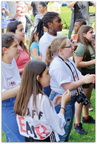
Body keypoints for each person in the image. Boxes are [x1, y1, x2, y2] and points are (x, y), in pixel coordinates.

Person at [45, 35, 95, 142]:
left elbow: (77, 74)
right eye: (70, 46)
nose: (73, 47)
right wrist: (83, 81)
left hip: (69, 99)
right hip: (61, 99)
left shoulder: (67, 60)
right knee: (62, 131)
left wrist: (86, 77)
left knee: (67, 129)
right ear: (61, 50)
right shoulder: (57, 65)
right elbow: (66, 86)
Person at [14, 60, 71, 142]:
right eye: (47, 73)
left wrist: (52, 104)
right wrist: (63, 105)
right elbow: (58, 124)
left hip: (29, 138)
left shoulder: (23, 95)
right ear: (38, 78)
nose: (50, 76)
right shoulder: (42, 99)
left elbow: (36, 113)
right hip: (45, 139)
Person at [2, 33, 25, 142]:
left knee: (14, 138)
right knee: (19, 139)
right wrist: (24, 85)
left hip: (17, 102)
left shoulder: (12, 62)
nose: (20, 48)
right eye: (15, 46)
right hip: (5, 107)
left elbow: (15, 82)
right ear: (5, 50)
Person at [74, 25, 95, 135]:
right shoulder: (82, 47)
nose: (93, 34)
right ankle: (77, 124)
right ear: (83, 34)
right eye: (91, 32)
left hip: (90, 75)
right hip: (83, 76)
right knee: (81, 100)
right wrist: (94, 61)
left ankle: (86, 117)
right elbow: (77, 63)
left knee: (87, 98)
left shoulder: (89, 44)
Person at [38, 12, 63, 96]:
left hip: (61, 73)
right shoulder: (45, 40)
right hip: (51, 76)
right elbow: (48, 60)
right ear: (50, 24)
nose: (61, 23)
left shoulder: (60, 35)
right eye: (58, 21)